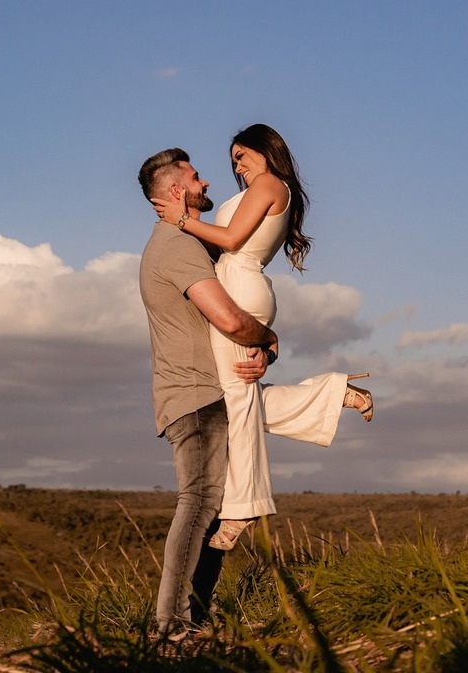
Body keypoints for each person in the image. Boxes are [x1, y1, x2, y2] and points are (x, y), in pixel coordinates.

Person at [153, 124, 374, 552]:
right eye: (233, 159)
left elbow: (233, 240)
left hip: (240, 284)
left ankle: (242, 508)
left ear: (265, 150)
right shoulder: (260, 189)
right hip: (235, 281)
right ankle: (335, 394)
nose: (236, 164)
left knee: (236, 400)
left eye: (241, 155)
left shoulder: (272, 184)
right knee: (235, 395)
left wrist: (181, 220)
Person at [137, 147, 279, 637]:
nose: (206, 182)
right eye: (196, 177)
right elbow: (228, 317)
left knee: (212, 508)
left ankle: (194, 617)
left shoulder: (187, 243)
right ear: (177, 191)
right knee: (199, 502)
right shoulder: (176, 247)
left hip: (200, 391)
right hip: (195, 395)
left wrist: (261, 346)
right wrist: (268, 337)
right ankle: (171, 626)